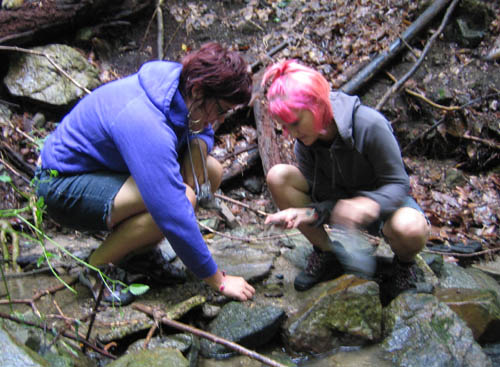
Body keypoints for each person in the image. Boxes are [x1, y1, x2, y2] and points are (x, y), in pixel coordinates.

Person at [34, 42, 255, 305]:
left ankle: (137, 255)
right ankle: (96, 268)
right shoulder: (146, 121)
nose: (219, 119)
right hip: (61, 185)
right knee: (182, 199)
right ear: (198, 90)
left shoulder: (180, 85)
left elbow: (201, 128)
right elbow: (172, 211)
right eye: (220, 110)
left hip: (105, 170)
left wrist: (198, 147)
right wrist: (217, 280)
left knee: (211, 171)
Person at [261, 60, 429, 299]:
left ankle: (404, 267)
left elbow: (399, 185)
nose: (292, 134)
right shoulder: (305, 144)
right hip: (341, 209)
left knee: (409, 228)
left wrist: (367, 204)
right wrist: (303, 214)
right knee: (278, 176)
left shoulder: (369, 124)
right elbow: (325, 200)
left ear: (317, 105)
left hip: (386, 207)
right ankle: (327, 252)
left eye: (295, 123)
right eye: (285, 127)